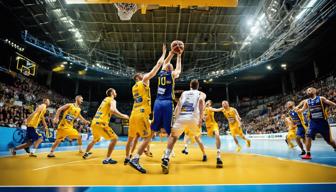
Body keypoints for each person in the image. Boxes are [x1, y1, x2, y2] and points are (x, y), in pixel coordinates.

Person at [126, 44, 166, 173]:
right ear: (139, 77)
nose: (145, 75)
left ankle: (135, 154)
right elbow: (157, 67)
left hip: (134, 114)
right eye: (143, 74)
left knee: (142, 135)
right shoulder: (143, 80)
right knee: (148, 136)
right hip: (142, 114)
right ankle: (135, 159)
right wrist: (164, 54)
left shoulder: (133, 88)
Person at [161, 79, 206, 174]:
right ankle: (205, 154)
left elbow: (178, 105)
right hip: (193, 118)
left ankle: (166, 157)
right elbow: (201, 101)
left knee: (173, 137)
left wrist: (175, 117)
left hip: (181, 117)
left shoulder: (184, 93)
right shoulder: (201, 93)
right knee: (198, 137)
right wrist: (201, 118)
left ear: (190, 85)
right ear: (198, 86)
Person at [82, 88, 129, 164]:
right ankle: (107, 158)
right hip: (101, 123)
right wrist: (123, 116)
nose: (116, 92)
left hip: (94, 122)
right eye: (115, 91)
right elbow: (112, 110)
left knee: (95, 140)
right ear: (112, 93)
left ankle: (86, 153)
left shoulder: (105, 100)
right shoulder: (112, 100)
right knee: (114, 139)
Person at [151, 42, 183, 138]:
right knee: (155, 126)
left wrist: (175, 55)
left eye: (170, 66)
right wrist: (174, 54)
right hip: (164, 102)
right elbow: (174, 67)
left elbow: (175, 68)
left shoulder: (168, 74)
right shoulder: (164, 73)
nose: (168, 64)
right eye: (168, 65)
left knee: (168, 127)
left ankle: (169, 149)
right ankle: (147, 145)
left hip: (162, 102)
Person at [296, 87, 336, 159]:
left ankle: (335, 147)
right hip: (313, 122)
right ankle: (308, 154)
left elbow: (331, 103)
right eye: (307, 91)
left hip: (323, 123)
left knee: (329, 141)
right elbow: (302, 110)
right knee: (308, 136)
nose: (308, 91)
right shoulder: (307, 101)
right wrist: (298, 110)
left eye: (310, 90)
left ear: (315, 91)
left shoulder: (321, 98)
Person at [182, 100, 223, 167]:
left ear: (210, 104)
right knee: (196, 139)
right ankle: (204, 154)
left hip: (209, 125)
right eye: (206, 102)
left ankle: (218, 155)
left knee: (216, 135)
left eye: (208, 103)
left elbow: (216, 109)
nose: (207, 103)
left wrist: (223, 108)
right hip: (205, 126)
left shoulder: (209, 109)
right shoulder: (201, 110)